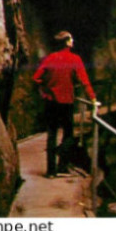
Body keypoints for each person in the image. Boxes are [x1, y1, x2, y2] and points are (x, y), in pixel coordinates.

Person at [33, 31, 99, 178]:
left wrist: (45, 91)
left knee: (52, 135)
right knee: (68, 134)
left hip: (50, 102)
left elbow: (36, 77)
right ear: (67, 42)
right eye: (71, 39)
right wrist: (93, 99)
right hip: (66, 102)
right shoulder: (74, 59)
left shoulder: (49, 58)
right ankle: (62, 162)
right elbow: (84, 81)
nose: (73, 42)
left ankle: (51, 171)